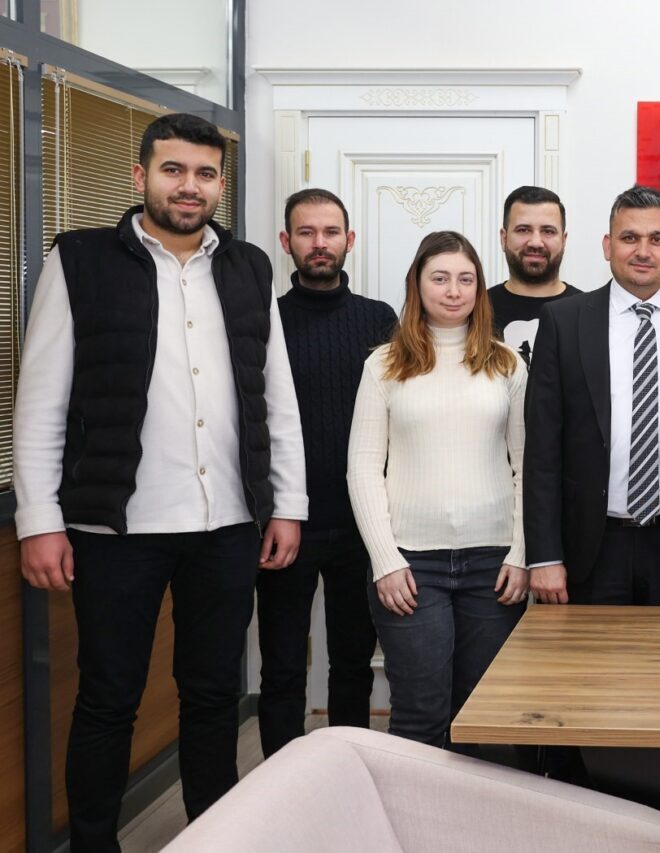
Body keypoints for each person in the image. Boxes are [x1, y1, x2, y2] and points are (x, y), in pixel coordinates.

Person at [13, 113, 307, 850]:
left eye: (205, 173)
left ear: (220, 184)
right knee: (108, 698)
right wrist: (38, 518)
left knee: (213, 696)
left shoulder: (249, 268)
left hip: (227, 523)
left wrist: (288, 504)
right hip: (117, 530)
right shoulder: (80, 260)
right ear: (141, 176)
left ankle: (213, 837)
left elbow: (276, 396)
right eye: (174, 170)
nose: (190, 186)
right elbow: (41, 398)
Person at [347, 230, 527, 751]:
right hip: (410, 567)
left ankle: (477, 810)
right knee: (419, 717)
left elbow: (529, 467)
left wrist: (520, 554)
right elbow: (362, 468)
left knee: (483, 718)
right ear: (418, 286)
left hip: (493, 569)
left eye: (466, 279)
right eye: (440, 278)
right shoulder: (383, 364)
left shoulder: (507, 364)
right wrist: (385, 561)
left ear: (479, 289)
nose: (453, 291)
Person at [524, 185, 660, 607]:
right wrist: (544, 556)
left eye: (657, 239)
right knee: (591, 654)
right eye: (629, 238)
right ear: (608, 246)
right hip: (589, 547)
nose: (643, 251)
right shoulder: (563, 322)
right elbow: (542, 451)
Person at [256, 189, 397, 758]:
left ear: (349, 240)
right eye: (307, 233)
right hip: (284, 524)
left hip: (363, 525)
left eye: (331, 232)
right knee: (282, 668)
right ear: (286, 242)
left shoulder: (379, 319)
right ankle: (281, 784)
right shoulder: (264, 320)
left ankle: (348, 774)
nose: (320, 244)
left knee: (353, 664)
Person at [488, 186, 581, 365]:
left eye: (548, 231)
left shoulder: (589, 312)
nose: (536, 242)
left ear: (564, 240)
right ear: (503, 238)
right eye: (523, 230)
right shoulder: (476, 310)